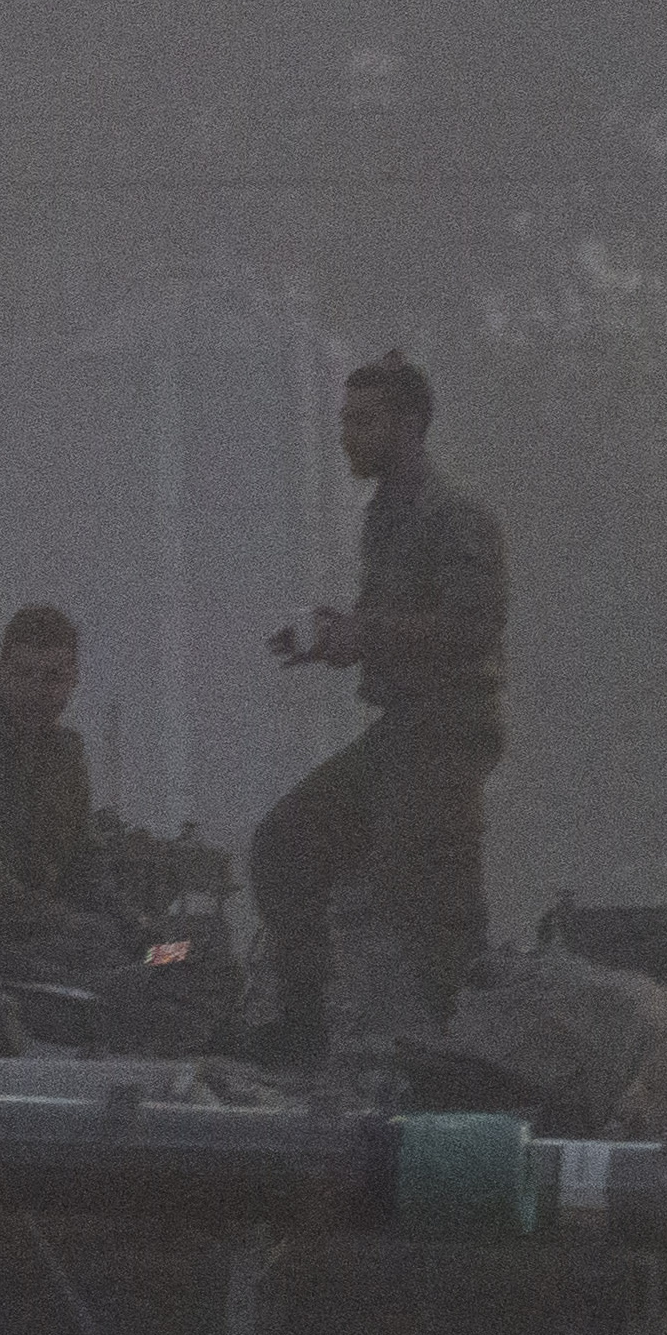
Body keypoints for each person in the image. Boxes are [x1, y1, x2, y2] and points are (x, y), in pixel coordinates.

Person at [247, 352, 504, 1055]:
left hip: (448, 735)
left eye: (363, 421)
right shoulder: (384, 520)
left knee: (429, 907)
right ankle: (302, 1029)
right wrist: (334, 635)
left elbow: (473, 628)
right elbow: (386, 628)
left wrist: (366, 633)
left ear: (410, 425)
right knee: (284, 849)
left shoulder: (457, 520)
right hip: (400, 732)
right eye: (343, 421)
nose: (346, 437)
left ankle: (477, 1054)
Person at [0, 600, 121, 969]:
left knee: (183, 955)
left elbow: (86, 858)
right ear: (0, 672)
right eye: (24, 674)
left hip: (66, 937)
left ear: (72, 679)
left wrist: (124, 921)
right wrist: (68, 922)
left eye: (51, 677)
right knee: (107, 964)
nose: (36, 691)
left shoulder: (66, 753)